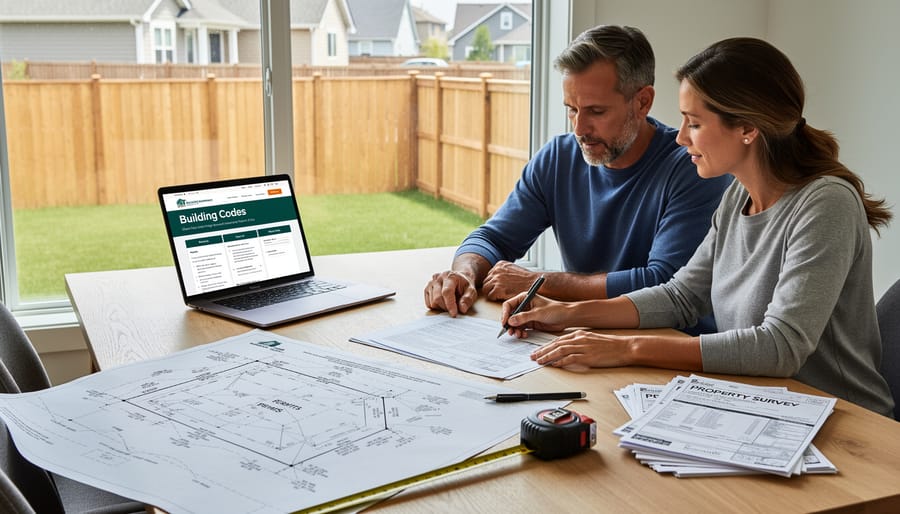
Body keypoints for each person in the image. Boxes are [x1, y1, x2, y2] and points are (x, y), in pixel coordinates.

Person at [502, 37, 895, 417]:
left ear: (747, 127)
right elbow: (681, 297)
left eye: (694, 123)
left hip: (845, 421)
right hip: (764, 407)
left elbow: (780, 346)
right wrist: (564, 313)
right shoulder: (736, 197)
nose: (682, 137)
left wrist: (627, 348)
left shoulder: (826, 204)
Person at [423, 25, 732, 335]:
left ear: (642, 102)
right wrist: (463, 274)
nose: (579, 128)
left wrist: (539, 282)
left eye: (596, 111)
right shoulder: (559, 157)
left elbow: (664, 283)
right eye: (572, 110)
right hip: (583, 337)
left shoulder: (694, 167)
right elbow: (494, 239)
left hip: (670, 351)